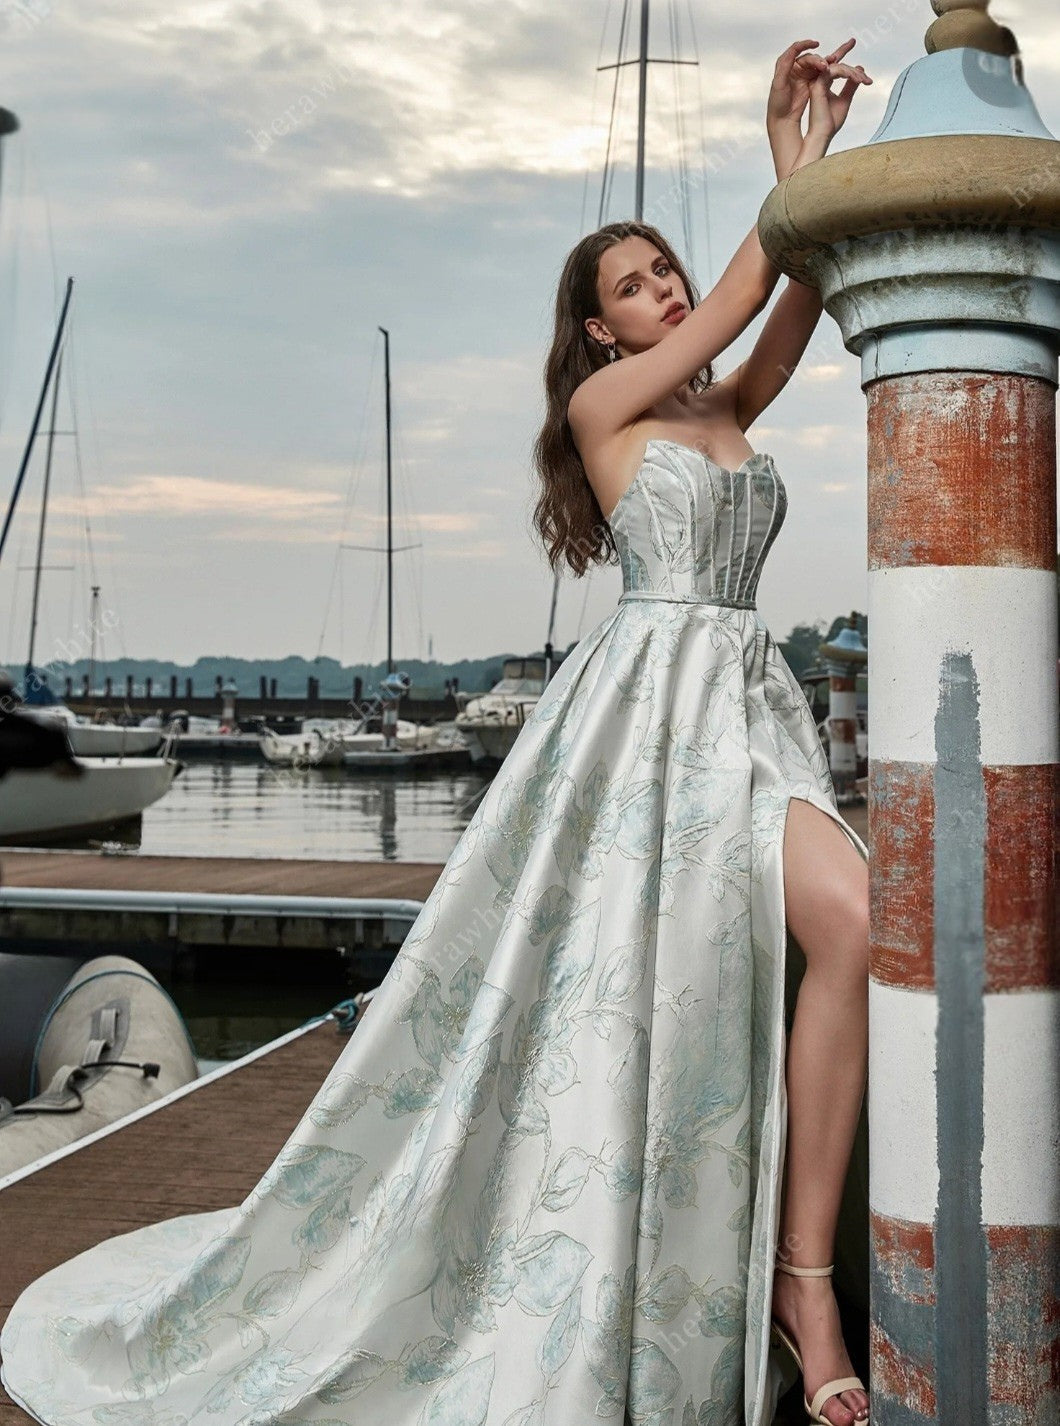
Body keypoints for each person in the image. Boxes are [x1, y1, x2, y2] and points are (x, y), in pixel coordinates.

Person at [0, 36, 872, 1426]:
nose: (665, 291)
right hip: (648, 733)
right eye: (638, 285)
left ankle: (800, 1270)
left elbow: (789, 298)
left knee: (855, 919)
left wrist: (807, 184)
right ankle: (746, 1273)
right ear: (601, 330)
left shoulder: (724, 408)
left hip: (750, 721)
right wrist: (790, 178)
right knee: (644, 994)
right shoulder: (610, 410)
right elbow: (751, 289)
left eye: (666, 271)